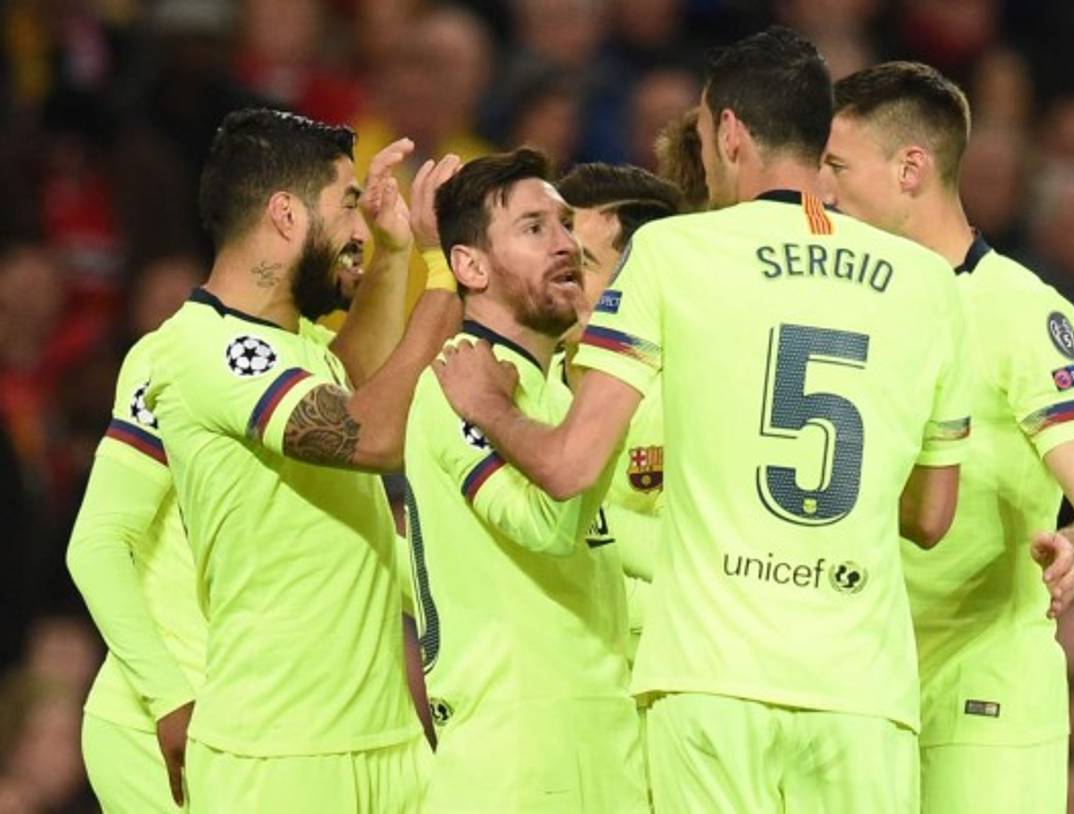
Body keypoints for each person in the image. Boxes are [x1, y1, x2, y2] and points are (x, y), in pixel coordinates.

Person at [433, 28, 971, 813]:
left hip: (709, 681)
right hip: (862, 688)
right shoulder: (928, 284)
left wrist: (485, 404)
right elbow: (930, 517)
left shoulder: (674, 254)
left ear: (728, 132)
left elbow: (570, 467)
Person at [821, 61, 1074, 814]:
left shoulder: (1022, 310)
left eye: (836, 166)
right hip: (856, 684)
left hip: (981, 690)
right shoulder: (836, 301)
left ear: (909, 169)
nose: (823, 190)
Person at [144, 109, 460, 813]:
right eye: (347, 203)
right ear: (285, 216)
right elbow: (369, 434)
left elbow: (356, 379)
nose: (357, 227)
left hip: (386, 743)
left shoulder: (298, 346)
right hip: (279, 755)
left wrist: (393, 252)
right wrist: (443, 278)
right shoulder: (206, 346)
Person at [404, 148, 649, 813]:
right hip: (513, 758)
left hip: (602, 741)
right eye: (534, 228)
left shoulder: (553, 393)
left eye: (566, 225)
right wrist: (610, 384)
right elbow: (547, 524)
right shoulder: (454, 384)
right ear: (470, 266)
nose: (565, 244)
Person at [554, 162, 682, 664]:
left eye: (579, 265)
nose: (555, 278)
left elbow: (691, 569)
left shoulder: (684, 399)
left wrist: (556, 522)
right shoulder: (512, 385)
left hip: (653, 696)